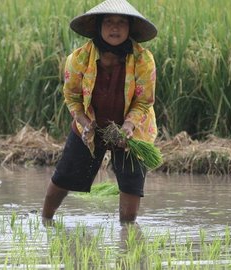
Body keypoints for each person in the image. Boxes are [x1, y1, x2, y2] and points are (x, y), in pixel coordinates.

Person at [42, 0, 158, 225]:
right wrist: (85, 123)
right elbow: (72, 97)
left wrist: (128, 127)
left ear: (130, 27)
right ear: (98, 26)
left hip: (131, 130)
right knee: (64, 176)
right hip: (91, 126)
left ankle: (127, 232)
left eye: (121, 22)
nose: (115, 28)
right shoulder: (79, 58)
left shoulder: (143, 59)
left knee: (131, 185)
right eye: (108, 22)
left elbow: (144, 101)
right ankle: (44, 221)